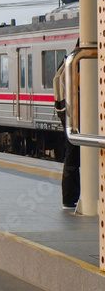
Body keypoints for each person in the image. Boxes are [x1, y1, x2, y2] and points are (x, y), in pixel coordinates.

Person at [52, 56, 79, 210]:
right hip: (77, 117)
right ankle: (70, 198)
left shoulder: (67, 60)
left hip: (67, 115)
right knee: (74, 156)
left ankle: (69, 199)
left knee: (72, 156)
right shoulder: (79, 61)